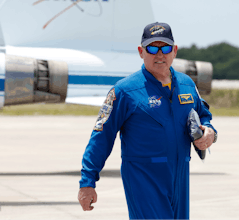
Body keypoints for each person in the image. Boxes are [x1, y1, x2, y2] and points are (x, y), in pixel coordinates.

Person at [78, 22, 217, 220]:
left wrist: (209, 132)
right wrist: (87, 182)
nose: (159, 54)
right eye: (152, 48)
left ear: (174, 51)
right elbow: (101, 137)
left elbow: (203, 115)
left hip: (180, 177)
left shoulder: (187, 85)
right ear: (141, 52)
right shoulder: (125, 91)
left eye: (165, 48)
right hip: (144, 180)